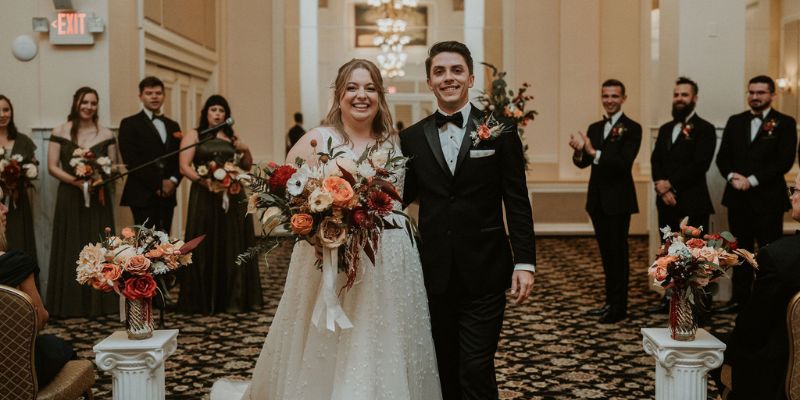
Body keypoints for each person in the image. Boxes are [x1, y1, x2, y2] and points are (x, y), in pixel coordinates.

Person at [210, 59, 442, 400]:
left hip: (392, 258)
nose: (361, 95)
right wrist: (314, 234)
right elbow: (281, 198)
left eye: (369, 88)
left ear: (380, 94)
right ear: (338, 94)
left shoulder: (396, 142)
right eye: (352, 87)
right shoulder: (317, 139)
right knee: (333, 338)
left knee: (386, 334)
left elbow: (409, 198)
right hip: (330, 257)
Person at [401, 41, 537, 400]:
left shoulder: (501, 131)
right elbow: (399, 198)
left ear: (471, 77)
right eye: (440, 71)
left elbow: (517, 201)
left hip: (486, 268)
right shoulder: (411, 137)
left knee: (475, 365)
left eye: (456, 70)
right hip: (434, 270)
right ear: (430, 81)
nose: (448, 78)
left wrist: (525, 261)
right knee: (444, 363)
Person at [715, 75, 798, 313]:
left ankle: (765, 302)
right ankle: (739, 300)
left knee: (768, 254)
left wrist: (751, 181)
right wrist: (733, 177)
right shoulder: (735, 121)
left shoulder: (785, 122)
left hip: (768, 201)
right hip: (737, 199)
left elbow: (783, 161)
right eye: (751, 92)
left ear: (773, 95)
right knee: (738, 252)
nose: (755, 96)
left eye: (760, 92)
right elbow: (723, 158)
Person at [176, 95, 262, 314]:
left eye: (221, 110)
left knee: (232, 242)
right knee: (206, 241)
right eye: (213, 109)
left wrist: (246, 149)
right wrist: (204, 182)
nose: (217, 114)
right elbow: (184, 166)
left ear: (227, 115)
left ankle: (234, 298)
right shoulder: (195, 135)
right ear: (206, 112)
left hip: (232, 195)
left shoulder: (232, 137)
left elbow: (246, 164)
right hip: (205, 196)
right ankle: (203, 300)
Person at [569, 79, 642, 324]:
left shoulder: (633, 128)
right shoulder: (595, 127)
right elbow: (583, 163)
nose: (609, 100)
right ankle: (609, 302)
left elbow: (623, 164)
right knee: (606, 256)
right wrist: (579, 151)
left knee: (618, 255)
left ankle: (619, 307)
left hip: (619, 202)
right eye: (605, 96)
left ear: (623, 98)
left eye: (614, 96)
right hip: (598, 202)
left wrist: (592, 152)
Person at [722, 173, 800, 399]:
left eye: (795, 191)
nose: (791, 198)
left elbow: (751, 328)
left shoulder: (778, 257)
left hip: (783, 372)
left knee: (723, 349)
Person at [46, 86, 117, 317]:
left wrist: (98, 178)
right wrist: (75, 182)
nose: (88, 107)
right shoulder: (61, 130)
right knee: (71, 243)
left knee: (97, 244)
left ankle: (101, 303)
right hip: (70, 195)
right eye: (84, 102)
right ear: (76, 103)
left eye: (93, 103)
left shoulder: (106, 134)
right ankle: (69, 304)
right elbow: (52, 166)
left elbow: (112, 168)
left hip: (98, 198)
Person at [648, 77, 716, 314]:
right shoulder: (666, 129)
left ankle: (696, 304)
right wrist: (660, 185)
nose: (679, 99)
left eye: (684, 95)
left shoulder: (705, 129)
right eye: (676, 94)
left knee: (693, 255)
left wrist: (671, 185)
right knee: (667, 251)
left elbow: (700, 165)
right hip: (666, 202)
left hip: (692, 201)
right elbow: (656, 159)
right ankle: (670, 299)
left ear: (694, 98)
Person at [0, 202, 76, 388]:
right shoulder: (16, 264)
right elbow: (39, 319)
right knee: (59, 347)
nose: (5, 208)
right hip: (17, 370)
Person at [118, 76, 182, 233]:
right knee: (145, 243)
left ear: (164, 96)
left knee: (166, 242)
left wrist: (172, 181)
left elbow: (180, 158)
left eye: (158, 93)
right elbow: (131, 160)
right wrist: (157, 184)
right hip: (142, 194)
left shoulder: (173, 125)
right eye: (149, 93)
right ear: (140, 96)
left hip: (168, 194)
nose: (154, 96)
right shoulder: (129, 124)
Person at [0, 95, 38, 264]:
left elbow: (33, 168)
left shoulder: (23, 141)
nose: (2, 114)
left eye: (6, 110)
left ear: (11, 112)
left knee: (19, 242)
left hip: (17, 204)